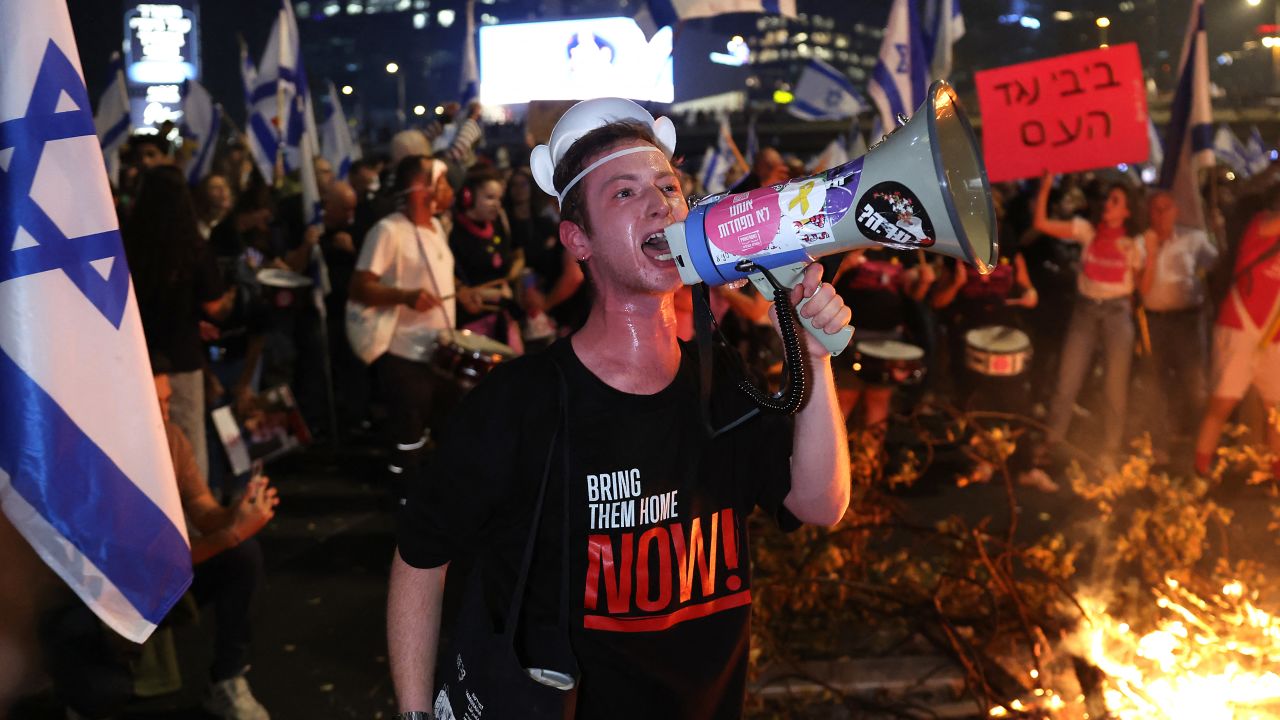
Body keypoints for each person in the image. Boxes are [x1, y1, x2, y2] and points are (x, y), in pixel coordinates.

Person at [387, 98, 851, 719]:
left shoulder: (719, 380)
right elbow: (420, 555)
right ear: (578, 240)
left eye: (668, 186)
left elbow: (819, 504)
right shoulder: (519, 404)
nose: (660, 203)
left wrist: (816, 363)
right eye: (625, 194)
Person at [155, 372, 278, 720]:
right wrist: (232, 533)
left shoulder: (171, 438)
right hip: (116, 586)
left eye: (168, 399)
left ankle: (227, 677)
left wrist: (235, 513)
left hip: (167, 571)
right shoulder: (106, 454)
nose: (166, 411)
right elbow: (147, 562)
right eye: (157, 401)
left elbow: (204, 510)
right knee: (101, 688)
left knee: (244, 556)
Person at [349, 155, 458, 503]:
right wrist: (405, 296)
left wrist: (464, 294)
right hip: (403, 353)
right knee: (407, 436)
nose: (450, 190)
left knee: (440, 432)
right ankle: (404, 503)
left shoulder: (437, 228)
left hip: (440, 352)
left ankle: (432, 500)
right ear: (421, 189)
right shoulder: (387, 231)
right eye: (442, 181)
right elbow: (359, 287)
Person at [123, 165, 235, 480]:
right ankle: (192, 523)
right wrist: (234, 298)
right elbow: (214, 306)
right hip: (182, 361)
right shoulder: (194, 248)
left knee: (146, 449)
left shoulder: (128, 246)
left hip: (138, 360)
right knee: (187, 448)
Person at [1033, 173, 1145, 463]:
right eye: (1108, 198)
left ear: (1127, 211)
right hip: (1085, 311)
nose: (1108, 204)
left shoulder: (1135, 244)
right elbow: (1041, 224)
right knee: (1067, 379)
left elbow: (1141, 287)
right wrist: (1045, 188)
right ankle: (1052, 440)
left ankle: (1109, 447)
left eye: (1116, 201)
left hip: (1116, 313)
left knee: (1114, 385)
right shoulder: (1087, 230)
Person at [1195, 185, 1280, 477]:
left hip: (1274, 334)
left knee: (1277, 412)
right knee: (1223, 403)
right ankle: (1200, 472)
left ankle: (1276, 478)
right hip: (1239, 326)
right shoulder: (1260, 225)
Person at [1135, 190, 1217, 458]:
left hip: (1188, 321)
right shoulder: (1141, 243)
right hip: (1155, 322)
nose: (1160, 214)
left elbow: (1217, 267)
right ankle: (1159, 443)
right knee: (1155, 383)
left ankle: (1202, 446)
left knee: (1195, 385)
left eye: (1165, 208)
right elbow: (1142, 290)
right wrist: (1152, 254)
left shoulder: (1194, 240)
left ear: (1176, 210)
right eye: (1155, 209)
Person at [831, 248, 935, 436]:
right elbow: (825, 286)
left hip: (889, 340)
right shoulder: (850, 245)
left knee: (879, 400)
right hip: (848, 337)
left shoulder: (903, 247)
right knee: (844, 398)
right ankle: (832, 458)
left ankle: (870, 458)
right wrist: (844, 265)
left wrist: (923, 283)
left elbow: (913, 297)